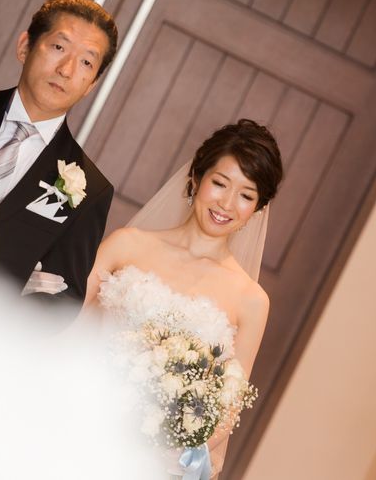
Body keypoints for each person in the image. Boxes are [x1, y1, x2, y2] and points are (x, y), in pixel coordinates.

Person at [83, 119, 283, 478]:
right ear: (196, 177)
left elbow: (228, 408)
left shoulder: (251, 300)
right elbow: (67, 323)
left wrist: (163, 449)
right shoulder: (126, 245)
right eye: (220, 183)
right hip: (78, 419)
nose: (227, 203)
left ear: (257, 208)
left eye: (246, 195)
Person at [0, 0, 118, 307]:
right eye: (59, 47)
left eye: (86, 62)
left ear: (91, 84)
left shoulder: (92, 191)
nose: (66, 69)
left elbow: (62, 303)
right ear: (25, 46)